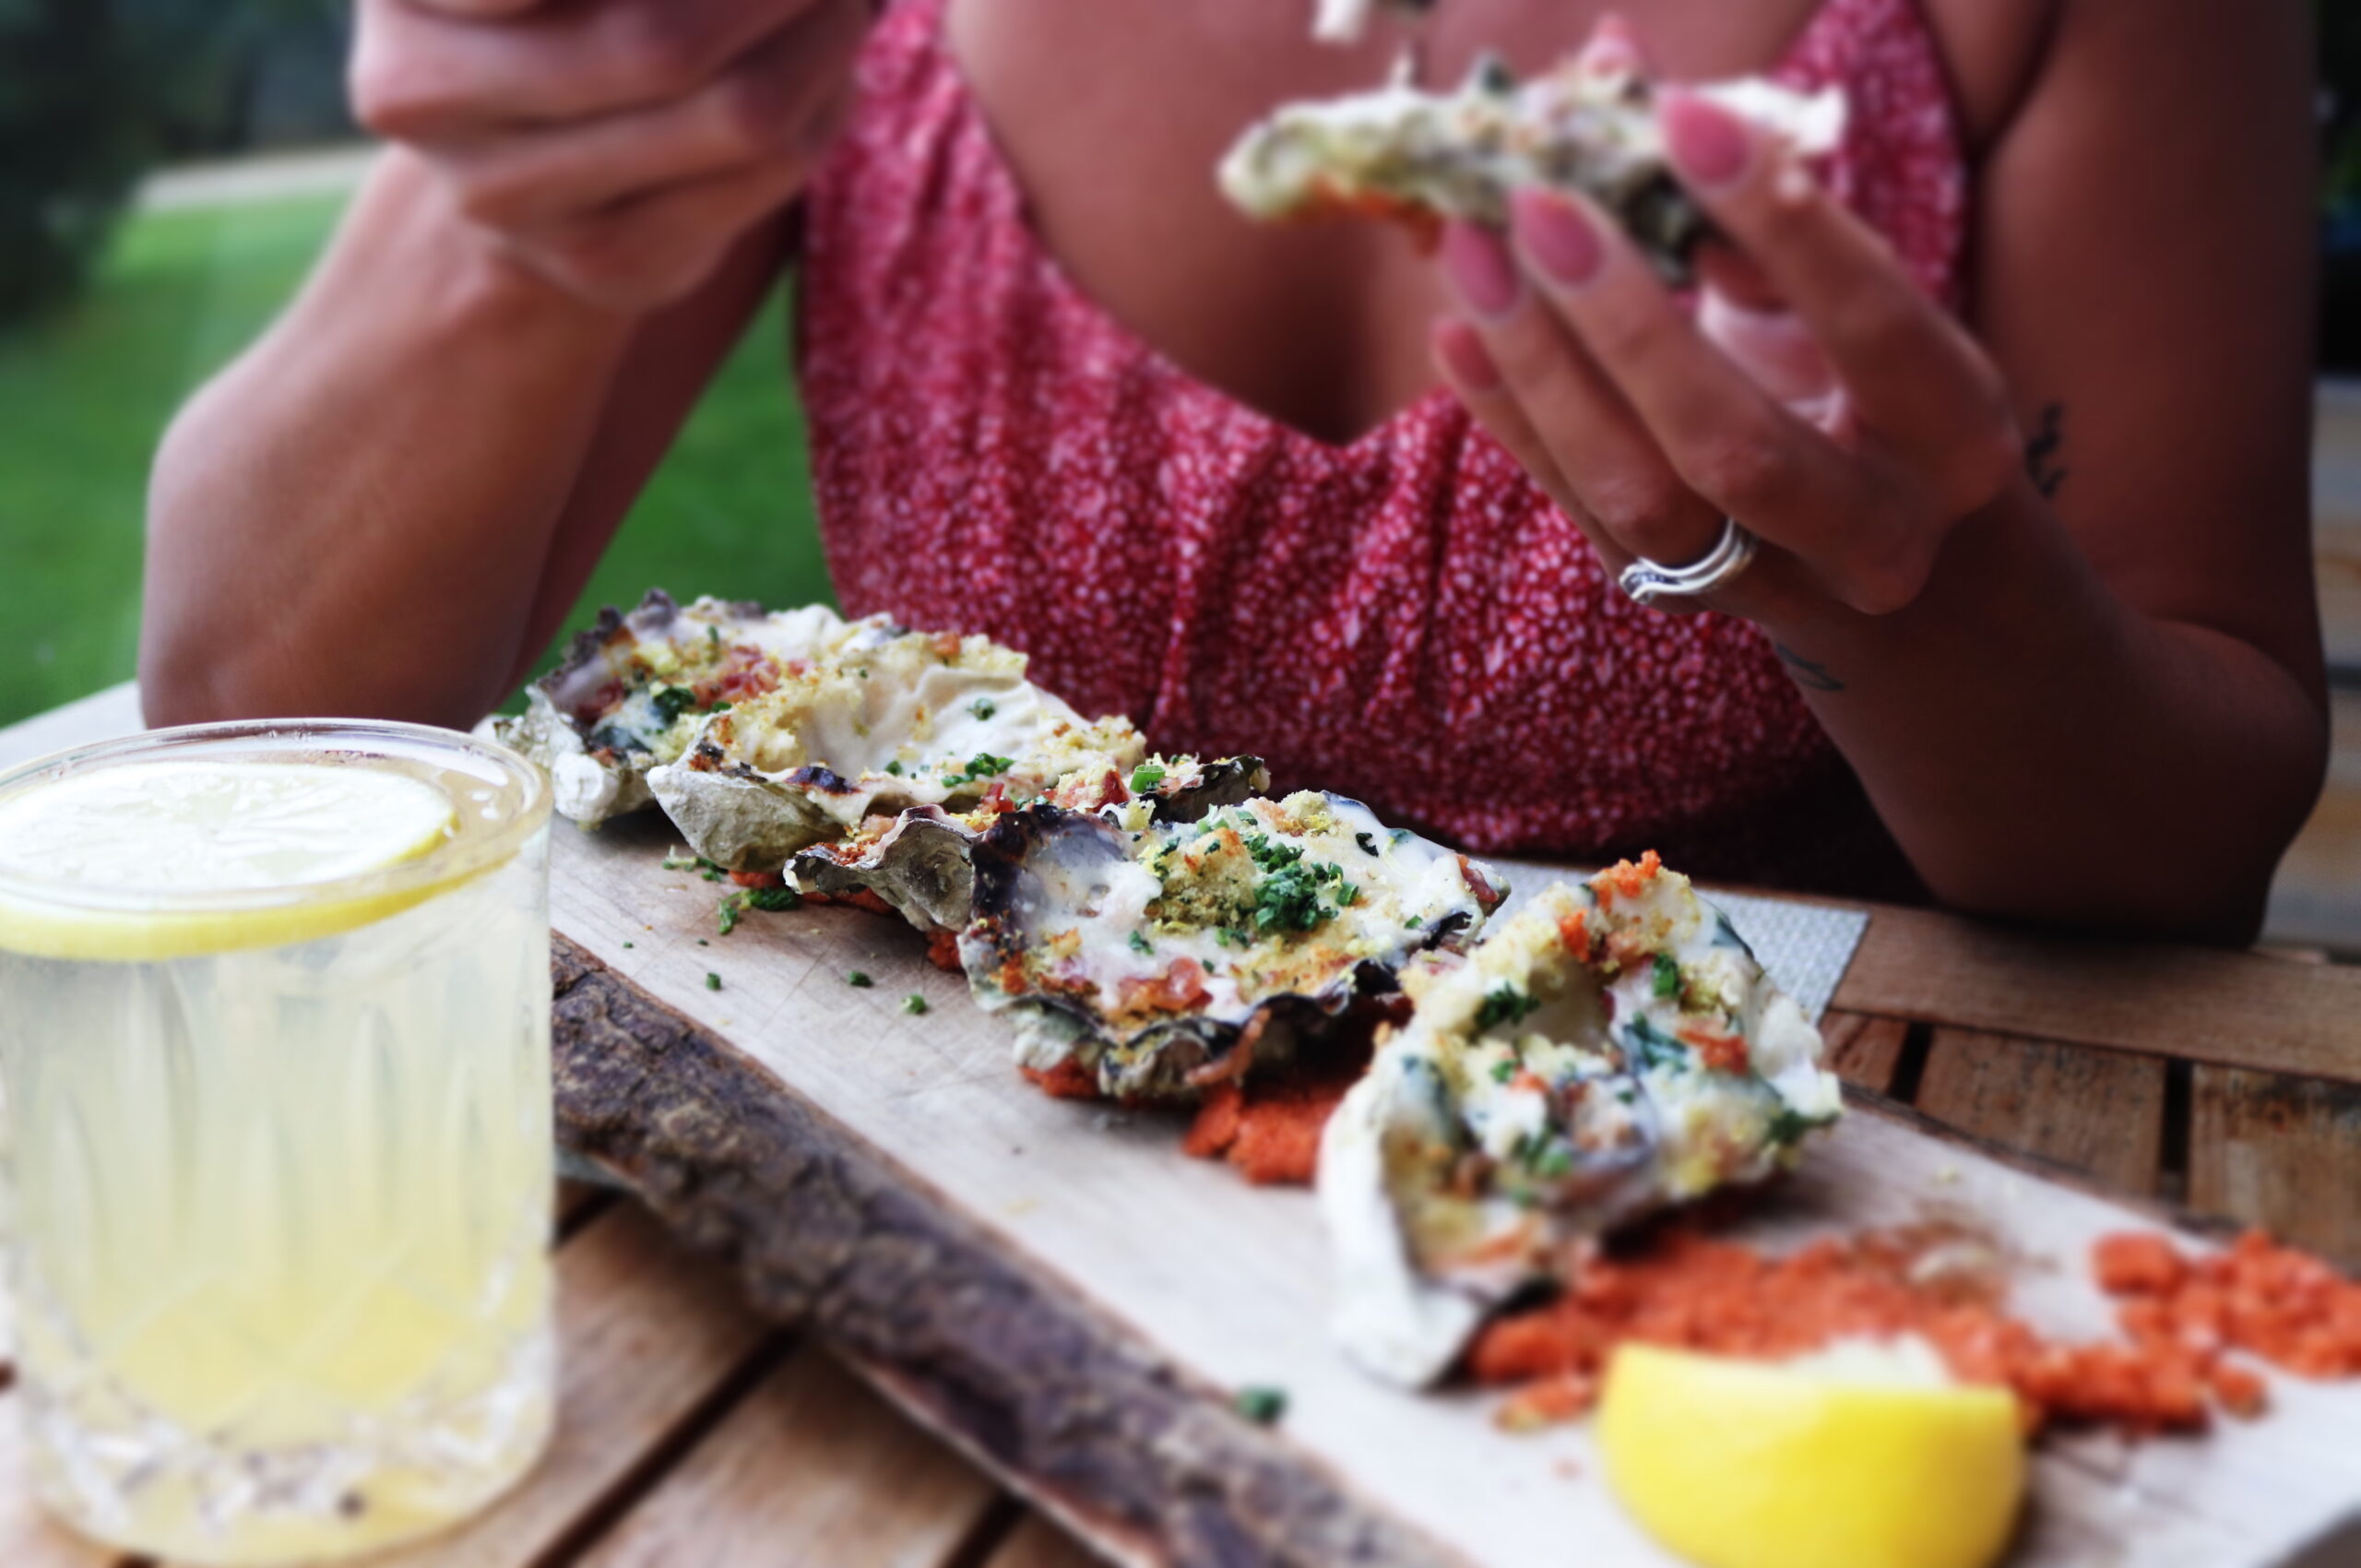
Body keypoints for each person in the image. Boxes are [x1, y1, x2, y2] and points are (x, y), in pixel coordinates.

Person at [140, 0, 2326, 942]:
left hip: (1776, 1294)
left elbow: (2182, 853)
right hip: (967, 1251)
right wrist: (531, 196)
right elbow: (251, 709)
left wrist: (1905, 589)